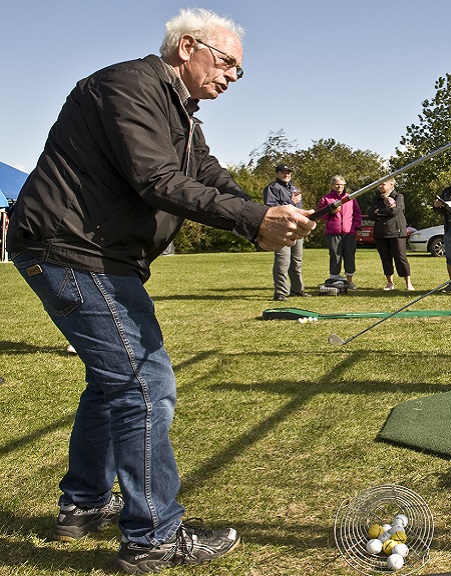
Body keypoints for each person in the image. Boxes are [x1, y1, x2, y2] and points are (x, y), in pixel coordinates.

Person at [6, 8, 316, 573]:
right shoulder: (129, 86)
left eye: (238, 72)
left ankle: (83, 504)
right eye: (227, 64)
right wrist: (252, 221)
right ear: (186, 47)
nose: (231, 77)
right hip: (72, 249)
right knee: (145, 385)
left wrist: (269, 211)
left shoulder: (181, 113)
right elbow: (157, 180)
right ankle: (153, 536)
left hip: (101, 255)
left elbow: (208, 174)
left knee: (111, 386)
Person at [264, 164, 307, 300]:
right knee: (283, 260)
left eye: (288, 172)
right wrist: (290, 201)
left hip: (297, 228)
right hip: (281, 229)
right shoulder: (272, 188)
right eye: (283, 172)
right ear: (277, 174)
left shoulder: (295, 188)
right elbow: (271, 208)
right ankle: (281, 292)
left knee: (297, 260)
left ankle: (297, 289)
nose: (286, 175)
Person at [316, 175, 361, 290]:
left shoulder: (350, 198)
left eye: (341, 184)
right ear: (332, 185)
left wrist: (355, 227)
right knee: (335, 256)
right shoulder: (326, 198)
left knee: (350, 256)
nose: (339, 186)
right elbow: (320, 214)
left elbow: (357, 213)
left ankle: (350, 281)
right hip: (333, 232)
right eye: (337, 184)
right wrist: (331, 212)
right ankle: (334, 281)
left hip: (349, 232)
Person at [369, 178, 413, 290]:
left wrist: (379, 212)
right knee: (385, 258)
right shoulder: (377, 199)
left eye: (383, 184)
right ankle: (390, 283)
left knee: (400, 258)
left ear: (391, 185)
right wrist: (385, 211)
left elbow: (395, 211)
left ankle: (408, 283)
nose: (380, 187)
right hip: (381, 233)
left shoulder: (398, 197)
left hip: (396, 232)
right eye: (379, 185)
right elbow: (370, 215)